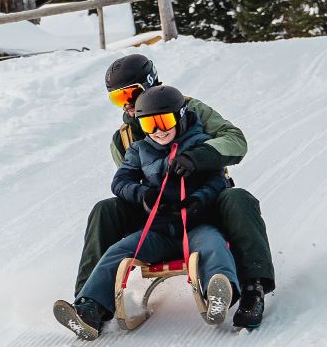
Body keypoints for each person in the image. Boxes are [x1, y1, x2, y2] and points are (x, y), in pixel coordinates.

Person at [75, 53, 276, 330]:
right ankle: (89, 305)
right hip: (158, 214)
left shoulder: (189, 109)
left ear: (149, 82)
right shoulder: (123, 138)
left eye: (130, 94)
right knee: (105, 209)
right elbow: (125, 180)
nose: (128, 105)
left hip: (205, 204)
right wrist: (144, 198)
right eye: (118, 99)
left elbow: (236, 142)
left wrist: (199, 158)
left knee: (238, 199)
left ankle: (252, 290)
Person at [55, 85, 241, 340]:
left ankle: (219, 293)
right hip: (160, 231)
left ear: (181, 116)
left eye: (164, 121)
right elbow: (120, 182)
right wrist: (142, 195)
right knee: (117, 252)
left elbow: (218, 180)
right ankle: (90, 308)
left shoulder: (199, 146)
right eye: (148, 125)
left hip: (197, 226)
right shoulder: (139, 150)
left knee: (214, 245)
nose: (158, 131)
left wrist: (199, 200)